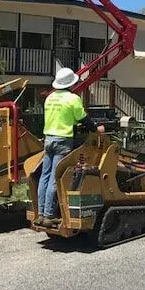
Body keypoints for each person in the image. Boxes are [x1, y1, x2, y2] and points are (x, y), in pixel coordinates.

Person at [35, 67, 104, 228]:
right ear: (71, 83)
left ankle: (40, 214)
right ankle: (49, 215)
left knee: (44, 177)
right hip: (63, 141)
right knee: (56, 177)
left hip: (49, 140)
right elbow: (84, 119)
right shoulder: (72, 99)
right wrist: (96, 130)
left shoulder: (50, 98)